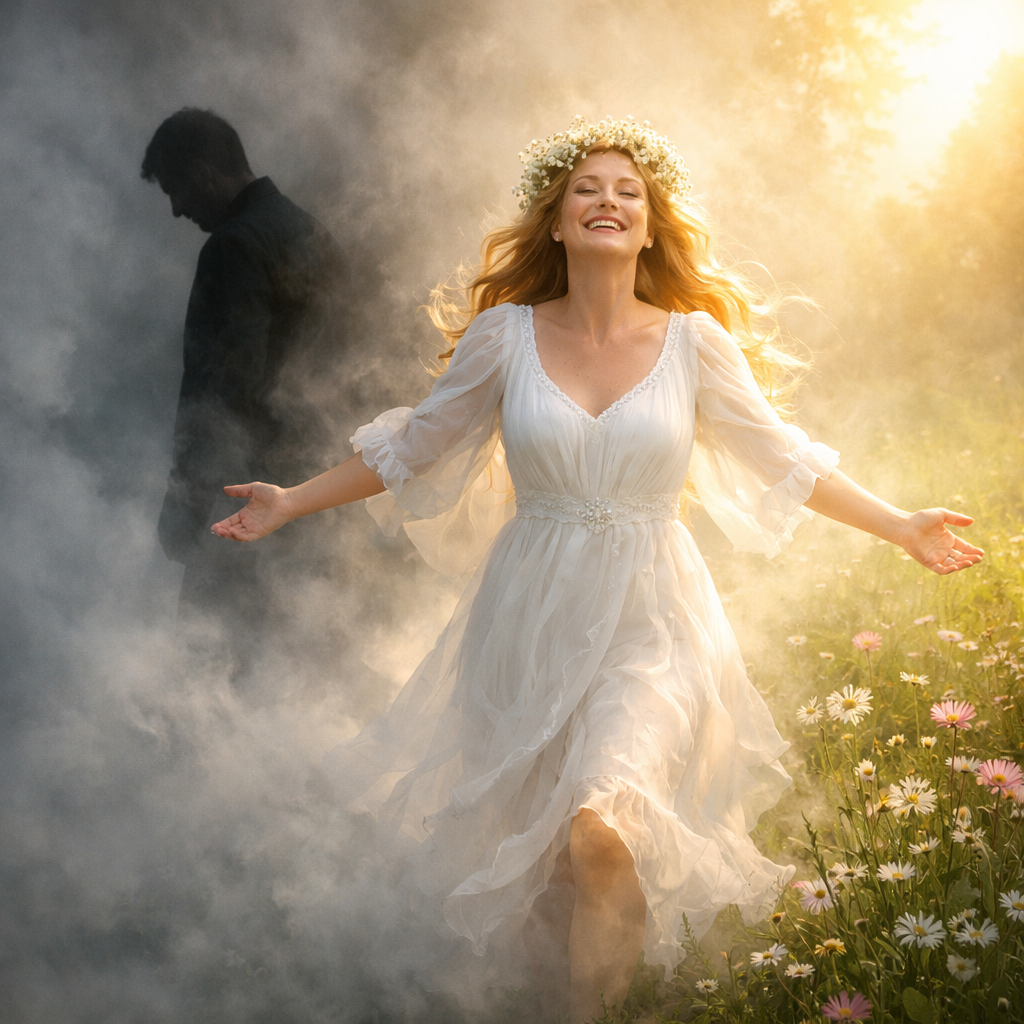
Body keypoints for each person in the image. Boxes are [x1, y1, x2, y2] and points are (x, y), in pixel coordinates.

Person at [209, 117, 983, 1022]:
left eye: (628, 192)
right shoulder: (503, 339)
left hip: (653, 616)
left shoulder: (696, 345)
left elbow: (786, 461)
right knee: (547, 864)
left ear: (651, 228)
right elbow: (415, 449)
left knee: (605, 827)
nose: (607, 201)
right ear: (557, 221)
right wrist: (292, 499)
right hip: (526, 615)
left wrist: (900, 525)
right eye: (586, 189)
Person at [141, 108, 349, 687]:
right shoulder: (307, 230)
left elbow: (221, 392)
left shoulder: (233, 247)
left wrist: (183, 507)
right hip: (317, 492)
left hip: (246, 500)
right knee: (299, 678)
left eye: (176, 189)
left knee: (218, 676)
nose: (177, 209)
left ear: (205, 173)